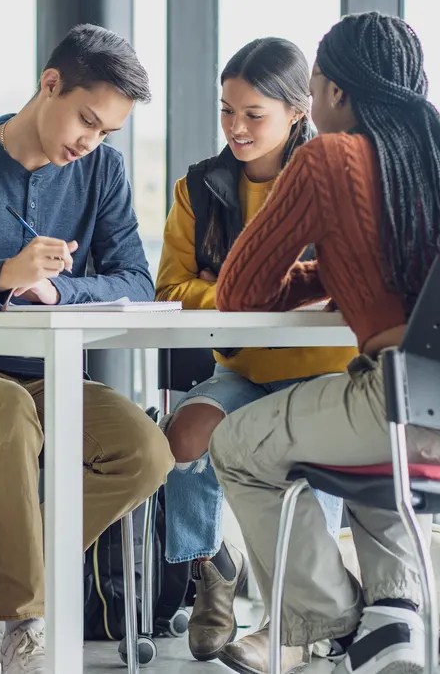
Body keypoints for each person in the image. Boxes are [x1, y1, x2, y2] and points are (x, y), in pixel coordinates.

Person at [207, 13, 440, 674]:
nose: (310, 104)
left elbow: (239, 291)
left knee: (236, 444)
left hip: (414, 410)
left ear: (335, 91)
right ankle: (394, 616)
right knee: (371, 443)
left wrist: (315, 275)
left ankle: (331, 619)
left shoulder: (328, 156)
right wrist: (339, 273)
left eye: (312, 88)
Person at [0, 25, 173, 674]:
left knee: (145, 449)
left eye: (106, 131)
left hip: (47, 378)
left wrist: (59, 291)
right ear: (50, 84)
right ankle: (20, 618)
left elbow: (136, 277)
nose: (90, 142)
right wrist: (3, 276)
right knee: (8, 409)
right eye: (86, 120)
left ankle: (2, 563)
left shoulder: (101, 170)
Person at [154, 38, 355, 670]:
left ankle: (289, 624)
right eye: (226, 111)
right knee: (182, 437)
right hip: (241, 370)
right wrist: (254, 297)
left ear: (299, 112)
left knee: (304, 462)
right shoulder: (200, 189)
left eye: (254, 114)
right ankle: (214, 566)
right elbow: (170, 290)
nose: (236, 128)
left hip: (323, 377)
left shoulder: (329, 181)